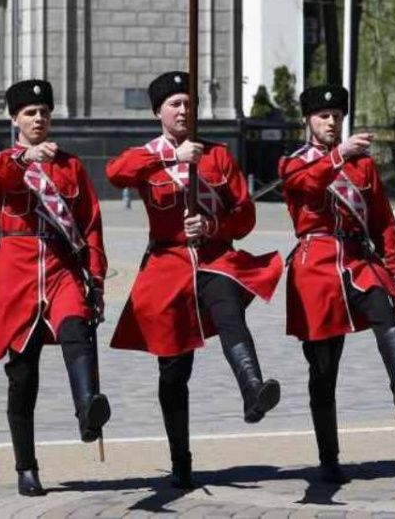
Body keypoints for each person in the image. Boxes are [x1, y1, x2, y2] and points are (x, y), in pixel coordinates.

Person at [106, 71, 282, 489]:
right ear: (158, 112)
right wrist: (171, 158)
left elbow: (246, 215)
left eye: (189, 103)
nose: (184, 110)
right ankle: (179, 457)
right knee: (173, 370)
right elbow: (115, 173)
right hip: (168, 266)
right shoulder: (147, 155)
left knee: (228, 309)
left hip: (214, 257)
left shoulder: (218, 156)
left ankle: (253, 389)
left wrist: (213, 222)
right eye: (175, 104)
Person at [278, 85, 395, 484]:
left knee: (383, 310)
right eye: (323, 115)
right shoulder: (292, 162)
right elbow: (308, 186)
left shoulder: (362, 166)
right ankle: (329, 457)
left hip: (358, 260)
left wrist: (391, 266)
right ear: (308, 120)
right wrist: (338, 155)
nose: (331, 122)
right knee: (323, 371)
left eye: (337, 116)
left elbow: (381, 217)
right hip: (317, 269)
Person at [0, 79, 110, 497]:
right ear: (15, 119)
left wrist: (96, 278)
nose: (39, 118)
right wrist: (25, 159)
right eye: (30, 112)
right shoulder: (1, 162)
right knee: (23, 375)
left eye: (44, 111)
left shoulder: (70, 166)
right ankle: (26, 466)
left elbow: (90, 224)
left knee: (76, 328)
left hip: (62, 265)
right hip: (18, 273)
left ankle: (88, 409)